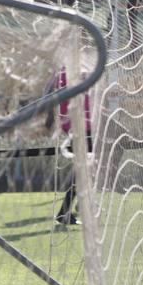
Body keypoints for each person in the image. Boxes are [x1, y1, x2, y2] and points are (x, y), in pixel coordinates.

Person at [45, 66, 92, 225]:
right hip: (79, 126)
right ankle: (73, 208)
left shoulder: (73, 70)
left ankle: (71, 209)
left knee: (86, 168)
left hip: (80, 124)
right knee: (84, 169)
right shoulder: (71, 71)